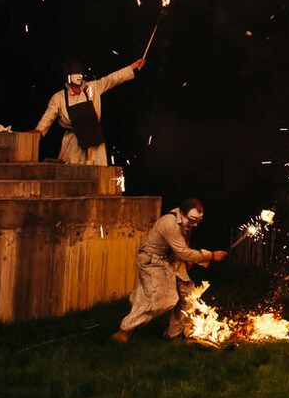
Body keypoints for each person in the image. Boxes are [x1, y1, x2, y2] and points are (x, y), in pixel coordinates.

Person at [114, 198, 224, 342]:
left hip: (170, 260)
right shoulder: (169, 224)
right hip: (152, 261)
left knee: (187, 294)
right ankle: (125, 330)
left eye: (199, 220)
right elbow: (183, 251)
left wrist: (186, 260)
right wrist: (211, 256)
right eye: (192, 219)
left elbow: (182, 247)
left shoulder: (184, 222)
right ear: (182, 213)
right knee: (164, 299)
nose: (195, 224)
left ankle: (173, 335)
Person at [35, 57, 144, 166]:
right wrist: (38, 132)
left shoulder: (92, 88)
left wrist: (132, 67)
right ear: (68, 77)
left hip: (94, 141)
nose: (79, 76)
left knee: (96, 174)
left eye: (80, 73)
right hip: (73, 143)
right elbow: (47, 118)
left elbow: (111, 79)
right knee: (72, 175)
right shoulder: (59, 98)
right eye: (75, 73)